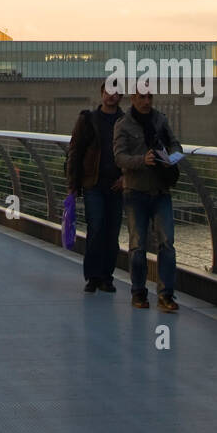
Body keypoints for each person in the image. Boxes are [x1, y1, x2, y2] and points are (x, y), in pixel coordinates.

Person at [114, 85, 183, 312]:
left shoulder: (160, 121)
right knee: (137, 245)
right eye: (141, 97)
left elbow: (176, 145)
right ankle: (138, 292)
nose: (146, 101)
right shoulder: (123, 125)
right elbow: (120, 158)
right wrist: (142, 160)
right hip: (135, 192)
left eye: (149, 97)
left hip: (161, 191)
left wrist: (169, 158)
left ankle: (166, 295)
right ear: (133, 98)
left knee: (167, 243)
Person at [66, 82, 124, 293]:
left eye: (115, 93)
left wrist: (126, 177)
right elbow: (75, 151)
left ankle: (107, 277)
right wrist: (73, 184)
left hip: (117, 185)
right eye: (107, 92)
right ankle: (92, 277)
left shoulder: (126, 121)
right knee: (96, 228)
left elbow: (135, 150)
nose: (111, 96)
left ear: (120, 96)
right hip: (93, 183)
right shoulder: (88, 119)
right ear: (101, 94)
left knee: (112, 232)